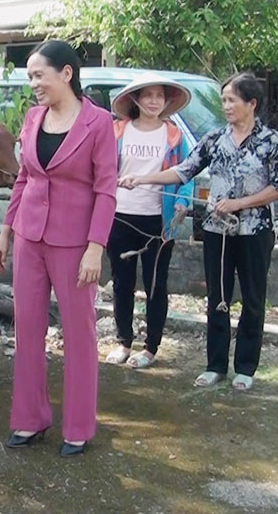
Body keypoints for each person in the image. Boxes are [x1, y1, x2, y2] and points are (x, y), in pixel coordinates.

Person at [120, 72, 278, 391]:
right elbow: (183, 171)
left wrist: (240, 203)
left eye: (231, 100)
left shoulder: (270, 140)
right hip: (216, 230)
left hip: (255, 230)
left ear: (251, 104)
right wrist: (142, 179)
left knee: (253, 299)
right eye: (223, 99)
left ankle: (246, 368)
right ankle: (215, 365)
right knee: (217, 298)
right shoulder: (213, 139)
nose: (226, 106)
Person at [0, 40, 118, 457]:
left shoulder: (99, 124)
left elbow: (106, 190)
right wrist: (7, 230)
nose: (33, 84)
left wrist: (95, 248)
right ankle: (30, 420)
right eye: (30, 77)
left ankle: (78, 427)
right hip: (30, 238)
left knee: (78, 334)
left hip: (75, 244)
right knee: (27, 330)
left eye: (38, 75)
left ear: (66, 73)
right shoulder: (32, 118)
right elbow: (25, 178)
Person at [104, 73, 193, 370]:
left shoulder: (175, 137)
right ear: (136, 100)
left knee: (156, 284)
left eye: (159, 96)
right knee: (121, 283)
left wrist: (182, 202)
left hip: (159, 221)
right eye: (148, 95)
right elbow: (102, 170)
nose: (154, 101)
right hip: (120, 217)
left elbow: (186, 175)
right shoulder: (116, 132)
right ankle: (123, 342)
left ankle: (151, 347)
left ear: (167, 102)